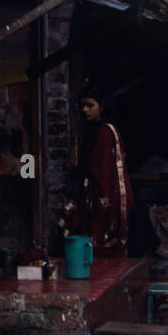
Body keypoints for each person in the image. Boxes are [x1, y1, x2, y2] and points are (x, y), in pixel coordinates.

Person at [61, 84, 133, 257]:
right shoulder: (92, 131)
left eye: (90, 105)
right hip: (91, 194)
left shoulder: (105, 132)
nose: (85, 110)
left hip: (102, 195)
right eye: (82, 105)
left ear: (101, 106)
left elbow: (103, 170)